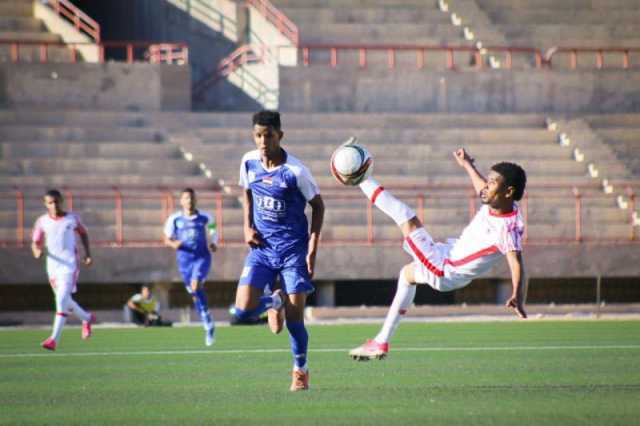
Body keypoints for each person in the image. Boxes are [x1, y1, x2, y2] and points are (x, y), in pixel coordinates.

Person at [348, 146, 527, 361]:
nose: (486, 187)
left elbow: (516, 262)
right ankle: (380, 341)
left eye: (492, 183)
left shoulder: (508, 229)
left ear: (508, 192)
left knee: (405, 217)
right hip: (449, 257)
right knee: (406, 275)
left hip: (445, 268)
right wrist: (468, 165)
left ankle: (360, 176)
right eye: (488, 181)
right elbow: (481, 187)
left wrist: (517, 294)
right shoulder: (498, 202)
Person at [232, 110, 325, 391]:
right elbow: (247, 194)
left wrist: (312, 249)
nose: (263, 141)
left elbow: (318, 207)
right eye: (258, 135)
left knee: (296, 321)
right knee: (242, 312)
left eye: (268, 135)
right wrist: (247, 227)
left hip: (293, 252)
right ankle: (274, 302)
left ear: (280, 136)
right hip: (262, 249)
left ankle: (300, 370)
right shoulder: (248, 161)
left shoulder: (295, 171)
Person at [31, 189, 96, 351]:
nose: (54, 205)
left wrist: (88, 254)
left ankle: (53, 339)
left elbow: (83, 233)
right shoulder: (42, 221)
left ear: (61, 201)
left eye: (56, 201)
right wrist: (36, 251)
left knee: (60, 300)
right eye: (50, 202)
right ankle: (87, 318)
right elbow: (36, 241)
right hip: (52, 267)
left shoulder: (71, 218)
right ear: (45, 204)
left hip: (69, 266)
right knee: (65, 300)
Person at [164, 188, 218, 346]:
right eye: (186, 198)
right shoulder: (174, 219)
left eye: (192, 198)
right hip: (184, 261)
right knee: (195, 293)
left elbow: (214, 230)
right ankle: (207, 319)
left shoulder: (205, 217)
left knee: (196, 284)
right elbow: (167, 238)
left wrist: (214, 243)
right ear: (181, 201)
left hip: (201, 258)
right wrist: (174, 243)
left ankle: (207, 321)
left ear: (196, 200)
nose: (190, 201)